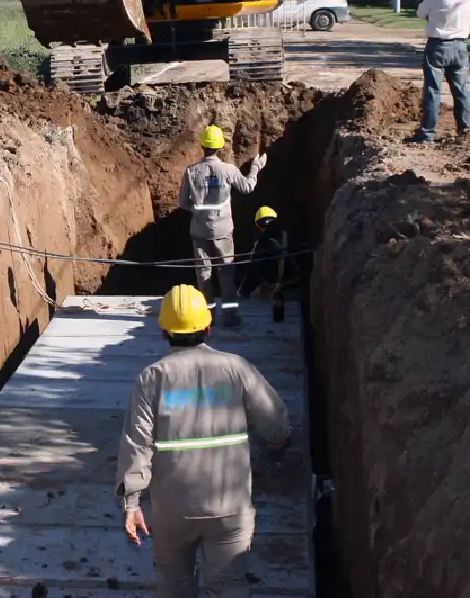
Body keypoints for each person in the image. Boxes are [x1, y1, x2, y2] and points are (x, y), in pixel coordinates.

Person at [115, 284, 291, 598]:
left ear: (164, 332)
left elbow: (137, 444)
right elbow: (276, 424)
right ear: (208, 328)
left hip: (172, 509)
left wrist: (132, 503)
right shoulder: (237, 369)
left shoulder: (152, 379)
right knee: (229, 585)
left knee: (174, 584)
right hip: (229, 506)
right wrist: (277, 442)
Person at [176, 125, 267, 328]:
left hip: (200, 231)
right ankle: (230, 316)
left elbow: (182, 203)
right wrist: (256, 167)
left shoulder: (191, 172)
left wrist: (199, 212)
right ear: (219, 147)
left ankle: (206, 317)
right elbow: (248, 187)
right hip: (223, 231)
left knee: (204, 274)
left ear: (202, 146)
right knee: (226, 273)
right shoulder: (228, 170)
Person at [409, 0, 470, 143]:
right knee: (461, 90)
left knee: (432, 90)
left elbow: (420, 13)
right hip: (460, 47)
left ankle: (428, 133)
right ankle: (465, 131)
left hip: (438, 46)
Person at [235, 206, 302, 323]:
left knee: (255, 299)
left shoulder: (262, 243)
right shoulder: (291, 235)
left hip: (274, 289)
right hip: (295, 286)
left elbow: (253, 270)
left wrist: (243, 292)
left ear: (258, 225)